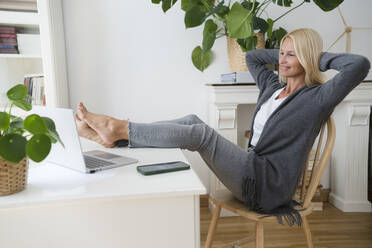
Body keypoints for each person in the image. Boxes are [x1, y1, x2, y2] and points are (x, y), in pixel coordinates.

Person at [75, 28, 370, 226]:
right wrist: (286, 50)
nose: (282, 60)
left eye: (291, 55)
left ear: (306, 57)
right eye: (281, 53)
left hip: (267, 188)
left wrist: (312, 56)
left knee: (201, 135)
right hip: (251, 167)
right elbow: (253, 57)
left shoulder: (319, 98)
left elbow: (359, 64)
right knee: (192, 121)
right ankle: (117, 138)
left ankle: (118, 128)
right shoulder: (271, 85)